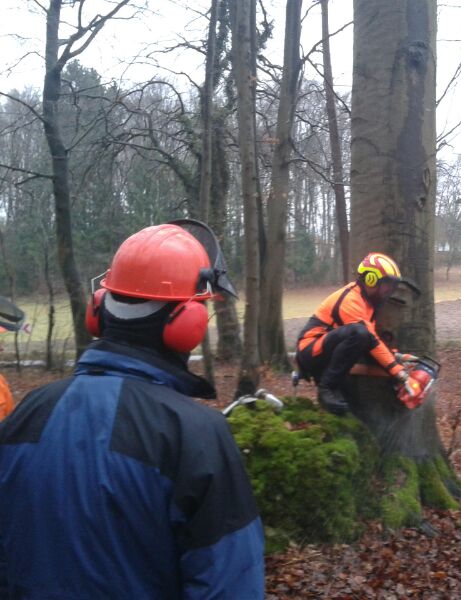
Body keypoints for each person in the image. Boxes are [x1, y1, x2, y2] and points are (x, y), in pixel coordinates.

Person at [0, 221, 264, 599]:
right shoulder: (196, 435)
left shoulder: (28, 412)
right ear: (187, 324)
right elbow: (231, 583)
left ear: (98, 310)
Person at [296, 252, 417, 415]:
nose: (389, 290)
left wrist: (395, 356)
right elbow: (369, 339)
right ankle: (327, 388)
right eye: (387, 284)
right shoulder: (351, 299)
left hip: (324, 349)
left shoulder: (368, 303)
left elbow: (371, 341)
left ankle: (333, 390)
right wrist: (399, 373)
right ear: (371, 280)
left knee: (361, 335)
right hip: (310, 350)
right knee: (358, 333)